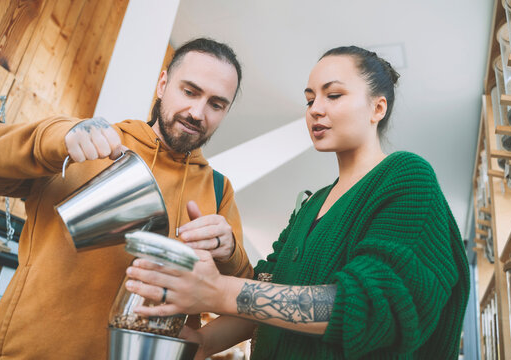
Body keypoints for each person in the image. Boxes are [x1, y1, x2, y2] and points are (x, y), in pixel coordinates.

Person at [125, 45, 470, 359]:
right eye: (309, 100)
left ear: (378, 107)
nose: (315, 109)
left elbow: (362, 306)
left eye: (333, 95)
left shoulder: (406, 176)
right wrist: (204, 342)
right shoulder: (310, 205)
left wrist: (217, 291)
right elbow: (270, 292)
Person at [0, 38, 254, 359]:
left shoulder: (218, 190)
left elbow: (244, 295)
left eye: (216, 104)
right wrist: (57, 136)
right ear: (163, 84)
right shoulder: (88, 144)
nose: (197, 112)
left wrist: (229, 252)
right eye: (189, 92)